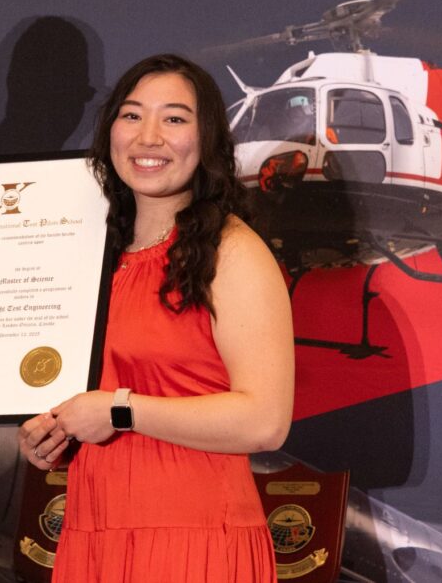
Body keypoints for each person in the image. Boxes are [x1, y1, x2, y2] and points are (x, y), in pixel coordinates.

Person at [17, 54, 295, 581]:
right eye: (131, 115)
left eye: (174, 118)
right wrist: (49, 433)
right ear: (109, 132)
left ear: (206, 139)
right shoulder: (91, 257)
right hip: (92, 537)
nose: (149, 137)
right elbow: (84, 399)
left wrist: (119, 411)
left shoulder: (232, 251)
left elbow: (265, 422)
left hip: (193, 543)